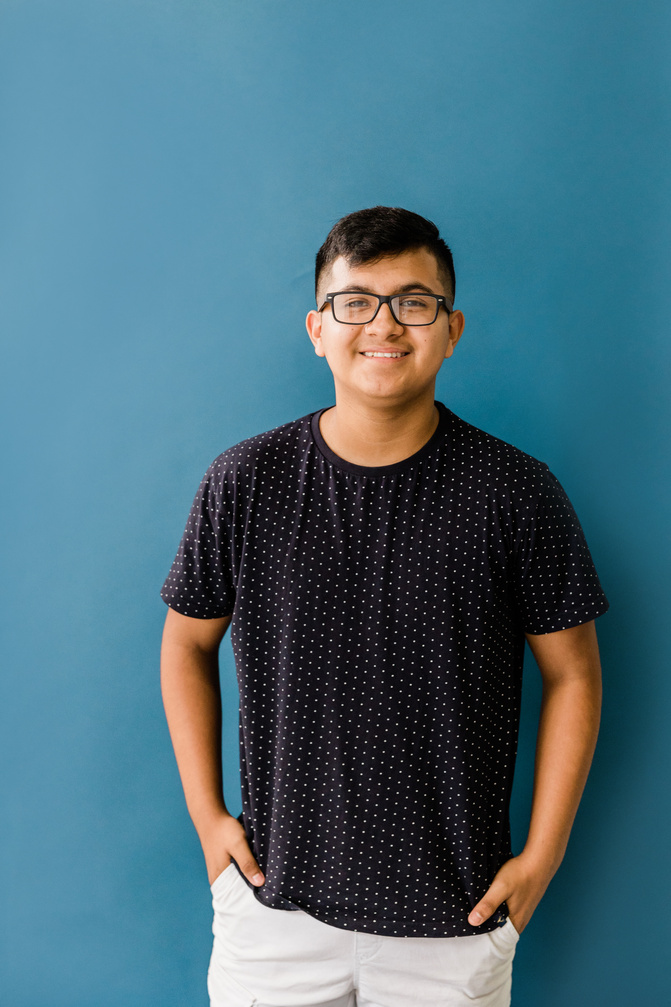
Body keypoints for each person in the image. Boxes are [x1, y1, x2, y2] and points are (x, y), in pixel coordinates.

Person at [160, 206, 608, 1007]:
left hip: (455, 921)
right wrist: (207, 816)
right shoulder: (246, 481)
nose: (384, 323)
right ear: (316, 326)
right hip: (274, 912)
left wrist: (543, 853)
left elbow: (573, 673)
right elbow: (185, 643)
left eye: (413, 300)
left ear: (450, 326)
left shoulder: (516, 492)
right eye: (355, 301)